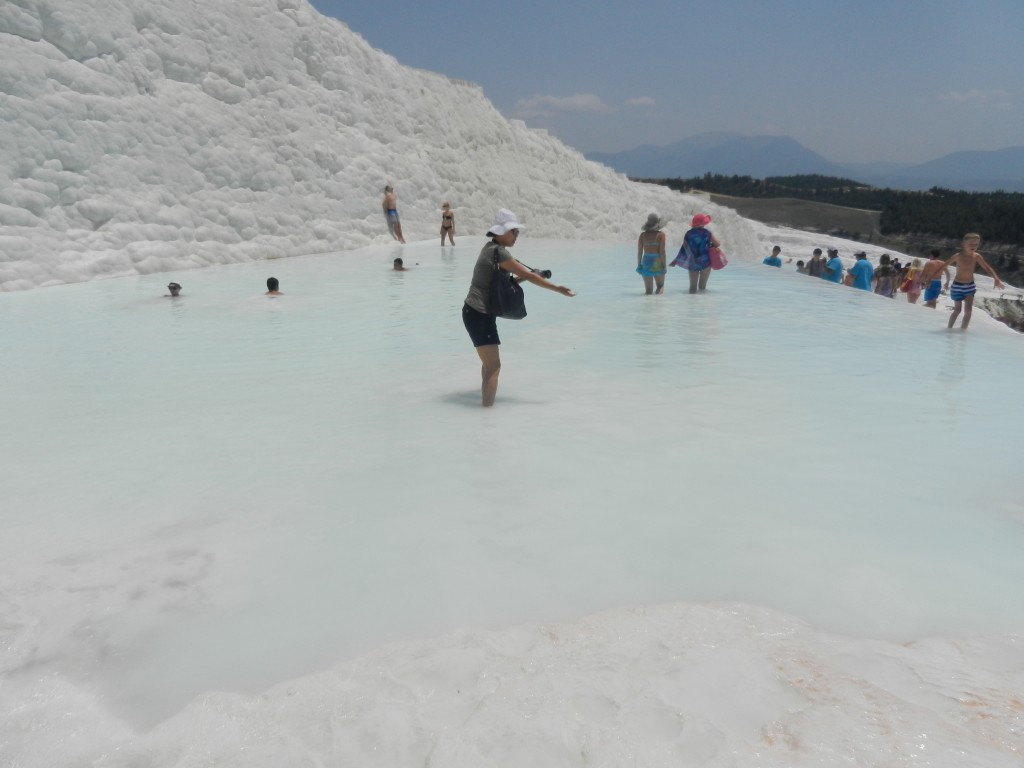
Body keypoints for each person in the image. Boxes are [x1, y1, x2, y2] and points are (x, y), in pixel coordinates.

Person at [462, 209, 576, 407]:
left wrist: (530, 275)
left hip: (476, 312)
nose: (516, 236)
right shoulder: (500, 252)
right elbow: (530, 277)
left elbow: (508, 282)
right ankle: (486, 415)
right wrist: (557, 288)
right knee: (494, 366)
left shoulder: (489, 248)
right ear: (501, 231)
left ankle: (483, 409)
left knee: (489, 364)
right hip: (478, 313)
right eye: (513, 231)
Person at [944, 233, 1005, 329]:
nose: (973, 246)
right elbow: (944, 265)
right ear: (963, 244)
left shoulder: (977, 256)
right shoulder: (958, 256)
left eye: (976, 244)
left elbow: (987, 267)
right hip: (957, 286)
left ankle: (963, 331)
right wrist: (932, 278)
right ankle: (948, 329)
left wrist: (996, 278)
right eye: (971, 244)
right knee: (957, 310)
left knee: (968, 311)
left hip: (970, 286)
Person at [670, 213, 719, 293]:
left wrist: (676, 260)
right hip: (705, 263)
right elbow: (717, 244)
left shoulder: (688, 234)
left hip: (693, 263)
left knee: (692, 289)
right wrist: (710, 245)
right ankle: (701, 304)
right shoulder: (707, 233)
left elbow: (684, 248)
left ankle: (691, 304)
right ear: (703, 223)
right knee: (702, 288)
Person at [635, 213, 667, 295]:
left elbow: (639, 253)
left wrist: (639, 265)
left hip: (645, 262)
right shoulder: (661, 235)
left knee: (648, 291)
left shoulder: (642, 236)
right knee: (660, 286)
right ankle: (658, 306)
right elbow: (662, 252)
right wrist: (664, 265)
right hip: (656, 261)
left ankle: (648, 307)